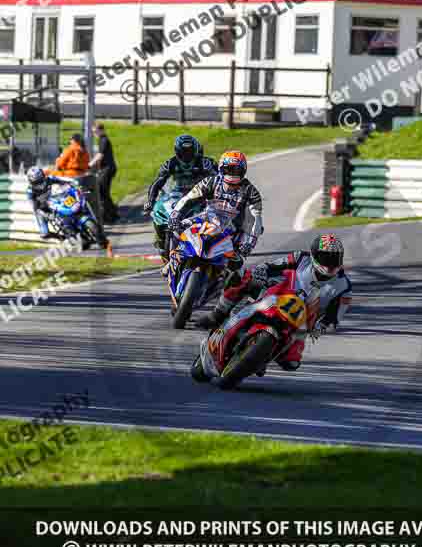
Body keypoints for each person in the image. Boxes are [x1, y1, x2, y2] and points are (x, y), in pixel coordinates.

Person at [198, 234, 352, 372]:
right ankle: (218, 314)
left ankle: (263, 358)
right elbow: (273, 265)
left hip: (302, 322)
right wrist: (262, 270)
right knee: (244, 278)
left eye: (334, 258)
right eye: (326, 258)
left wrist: (323, 326)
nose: (330, 263)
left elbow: (335, 317)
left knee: (291, 363)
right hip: (278, 296)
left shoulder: (344, 286)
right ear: (314, 255)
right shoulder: (301, 258)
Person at [166, 150, 263, 302]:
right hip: (206, 219)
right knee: (174, 228)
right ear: (221, 169)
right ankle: (171, 261)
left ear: (243, 170)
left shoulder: (251, 191)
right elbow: (189, 198)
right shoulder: (210, 182)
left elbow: (256, 219)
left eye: (236, 170)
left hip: (234, 231)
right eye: (229, 169)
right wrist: (176, 213)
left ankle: (221, 304)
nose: (232, 173)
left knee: (238, 270)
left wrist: (249, 243)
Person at [143, 134, 217, 257]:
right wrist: (150, 200)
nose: (187, 155)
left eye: (189, 152)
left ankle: (211, 243)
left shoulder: (206, 163)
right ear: (177, 151)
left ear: (196, 151)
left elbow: (218, 179)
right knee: (157, 211)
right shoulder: (170, 164)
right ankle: (161, 240)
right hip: (176, 195)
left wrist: (214, 195)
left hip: (200, 197)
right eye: (183, 152)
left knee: (214, 216)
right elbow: (157, 182)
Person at [26, 165, 112, 254]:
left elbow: (65, 180)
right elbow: (34, 206)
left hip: (58, 198)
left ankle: (89, 228)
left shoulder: (50, 179)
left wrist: (74, 182)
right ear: (31, 182)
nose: (40, 183)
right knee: (45, 233)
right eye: (37, 182)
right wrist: (45, 213)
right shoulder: (30, 191)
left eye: (41, 180)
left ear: (43, 177)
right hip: (45, 207)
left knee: (79, 200)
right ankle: (63, 236)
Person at [89, 123, 118, 224]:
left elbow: (100, 155)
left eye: (95, 131)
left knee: (102, 191)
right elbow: (99, 156)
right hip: (106, 169)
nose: (94, 134)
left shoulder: (104, 140)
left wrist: (89, 165)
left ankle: (108, 216)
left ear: (101, 130)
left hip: (108, 169)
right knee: (104, 192)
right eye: (93, 132)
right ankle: (113, 214)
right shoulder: (102, 140)